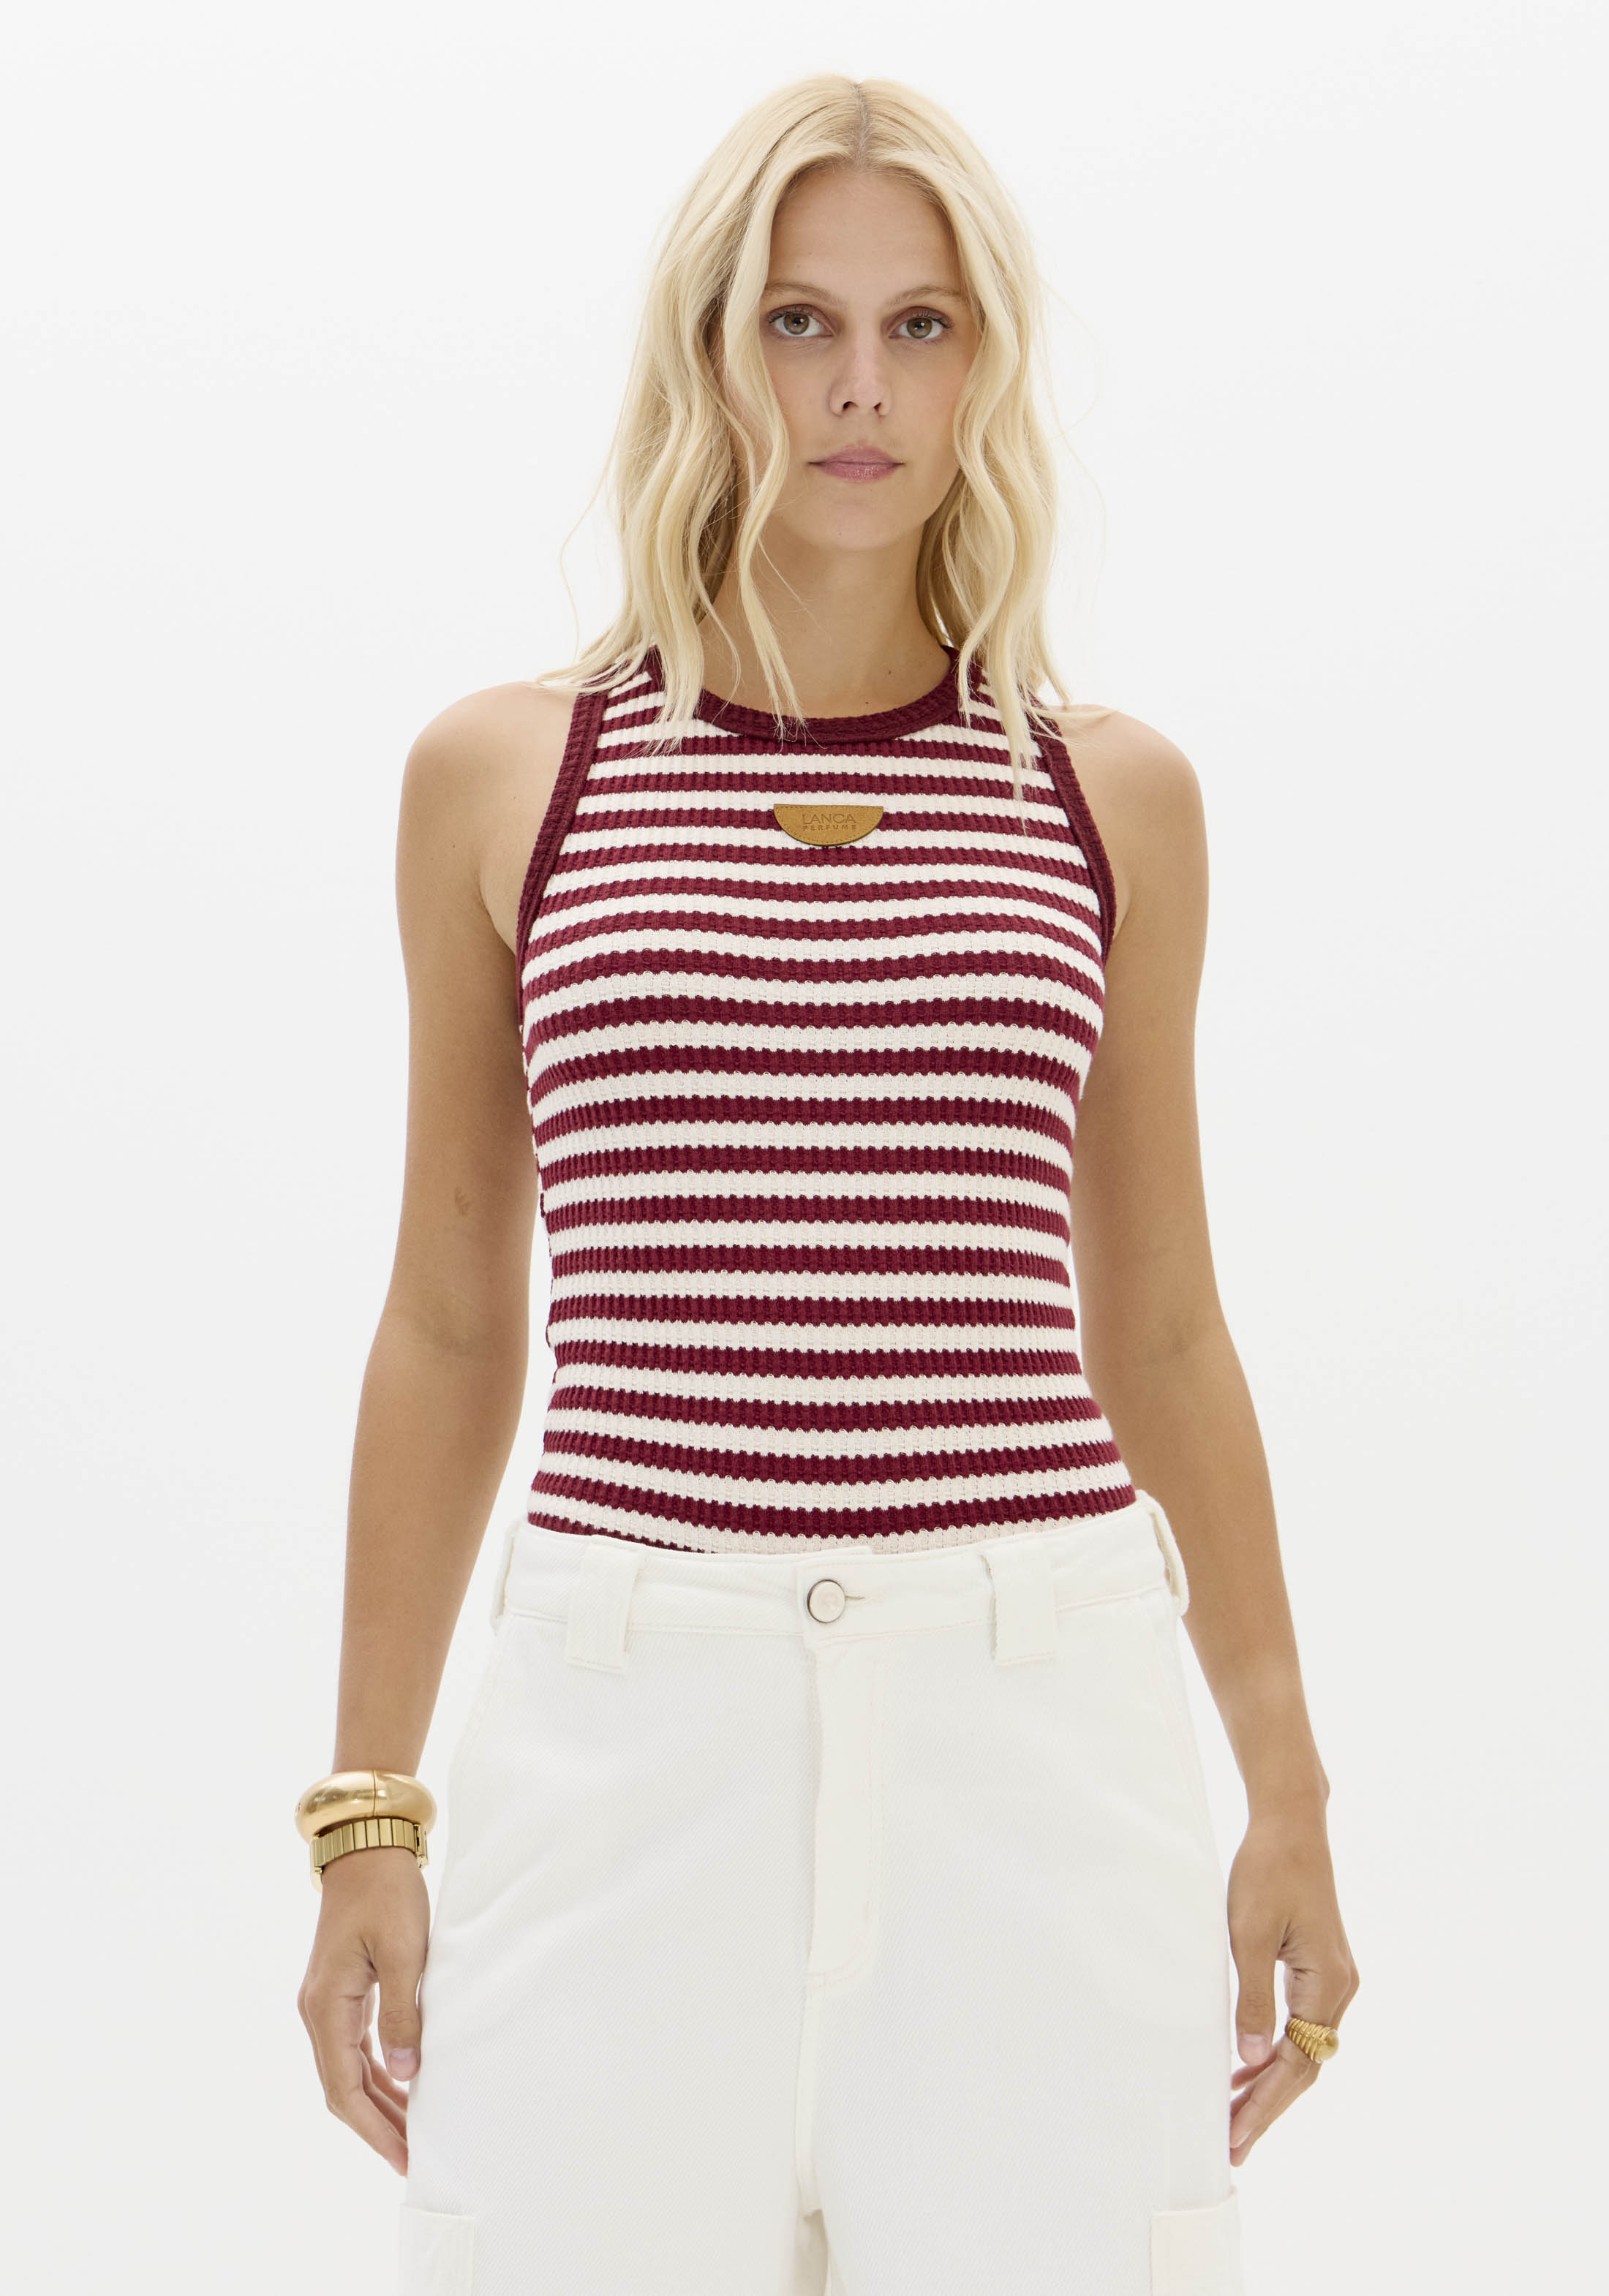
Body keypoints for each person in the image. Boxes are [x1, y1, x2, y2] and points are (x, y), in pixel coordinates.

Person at [295, 72, 1358, 2296]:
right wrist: (368, 1806)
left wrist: (1288, 1785)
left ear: (987, 369)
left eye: (919, 325)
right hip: (622, 1716)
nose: (859, 386)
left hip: (1033, 1714)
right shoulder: (511, 776)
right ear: (710, 351)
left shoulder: (1107, 798)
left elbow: (1162, 1323)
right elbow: (454, 1315)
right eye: (798, 320)